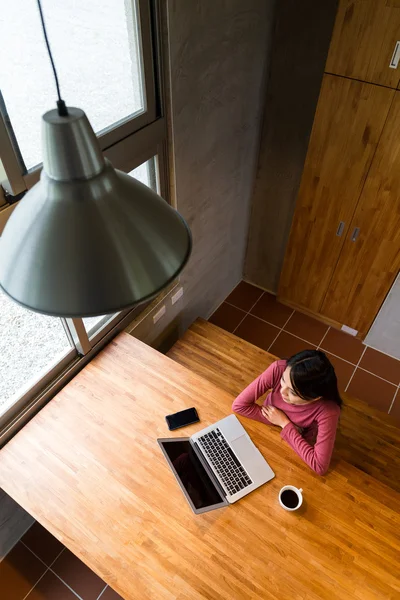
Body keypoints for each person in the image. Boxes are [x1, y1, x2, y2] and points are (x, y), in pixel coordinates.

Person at [232, 350, 342, 475]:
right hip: (274, 427)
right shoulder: (279, 368)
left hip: (296, 446)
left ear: (314, 398)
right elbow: (239, 406)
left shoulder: (329, 411)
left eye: (293, 392)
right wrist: (280, 422)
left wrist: (284, 423)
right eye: (283, 380)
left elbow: (319, 466)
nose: (282, 392)